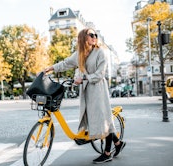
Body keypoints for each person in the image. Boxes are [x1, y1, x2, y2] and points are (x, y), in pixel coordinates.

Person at [44, 28, 126, 164]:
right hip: (87, 91)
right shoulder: (80, 54)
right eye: (91, 35)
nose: (94, 37)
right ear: (84, 38)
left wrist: (84, 78)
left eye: (95, 35)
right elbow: (66, 63)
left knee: (102, 119)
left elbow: (100, 74)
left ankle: (107, 153)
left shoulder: (101, 52)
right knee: (98, 119)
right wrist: (50, 68)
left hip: (98, 89)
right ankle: (117, 144)